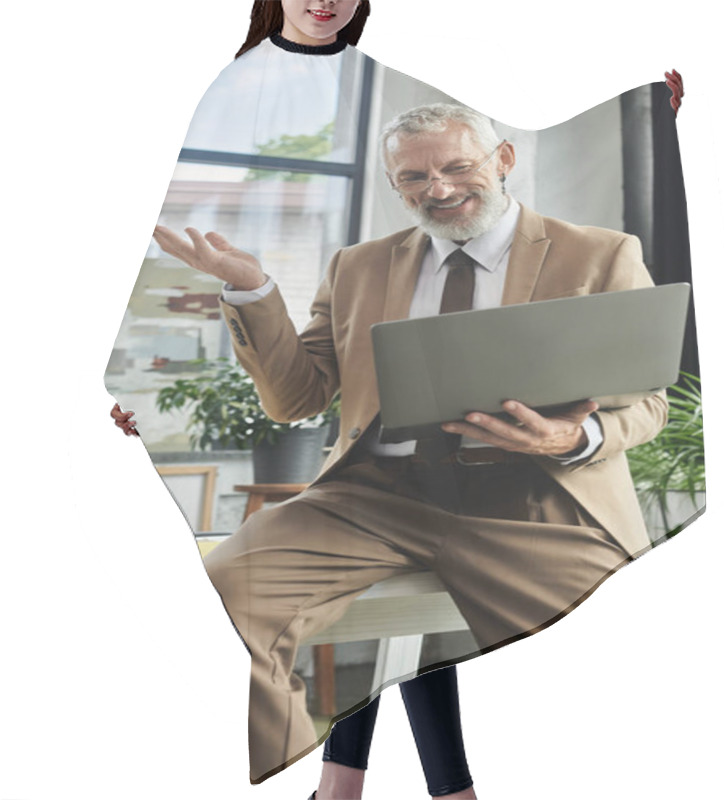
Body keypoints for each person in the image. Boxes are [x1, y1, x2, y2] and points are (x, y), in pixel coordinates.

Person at [152, 97, 669, 786]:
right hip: (373, 499)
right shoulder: (358, 267)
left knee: (605, 682)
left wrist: (573, 436)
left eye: (458, 167)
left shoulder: (598, 255)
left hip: (534, 502)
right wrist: (254, 292)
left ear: (503, 159)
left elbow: (648, 404)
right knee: (218, 609)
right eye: (416, 179)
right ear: (396, 184)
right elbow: (296, 397)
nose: (441, 190)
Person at [110, 2, 476, 798]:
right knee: (363, 597)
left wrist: (649, 112)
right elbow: (296, 393)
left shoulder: (402, 90)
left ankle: (352, 785)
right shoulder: (228, 94)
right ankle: (397, 787)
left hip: (457, 489)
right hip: (372, 487)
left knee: (391, 607)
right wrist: (141, 371)